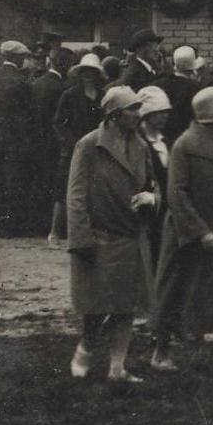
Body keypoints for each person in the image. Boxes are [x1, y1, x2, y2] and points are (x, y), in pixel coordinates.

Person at [148, 86, 213, 375]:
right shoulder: (185, 145)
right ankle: (161, 353)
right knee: (175, 291)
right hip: (189, 232)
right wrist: (200, 231)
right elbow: (177, 193)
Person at [63, 84, 162, 385]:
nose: (138, 113)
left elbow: (153, 185)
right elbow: (76, 195)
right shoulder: (90, 145)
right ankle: (85, 349)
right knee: (95, 307)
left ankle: (117, 368)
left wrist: (151, 199)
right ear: (115, 114)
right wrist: (81, 239)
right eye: (132, 109)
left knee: (126, 306)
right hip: (99, 236)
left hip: (131, 236)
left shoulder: (141, 145)